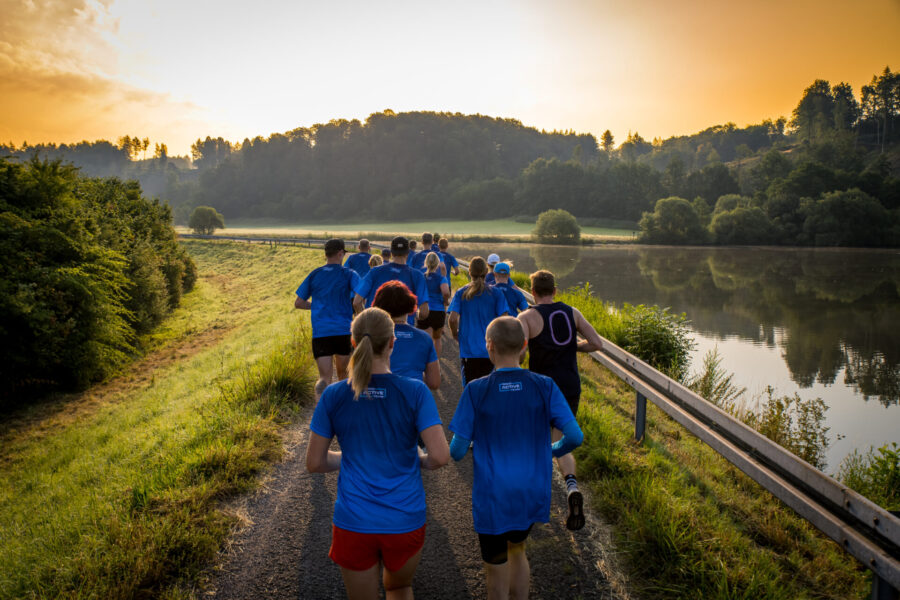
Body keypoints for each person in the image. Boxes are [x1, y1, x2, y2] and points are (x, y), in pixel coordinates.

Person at [306, 307, 450, 600]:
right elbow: (439, 456)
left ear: (354, 342)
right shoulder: (416, 392)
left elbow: (315, 462)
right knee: (399, 588)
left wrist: (352, 458)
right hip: (405, 520)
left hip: (353, 522)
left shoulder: (334, 395)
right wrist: (415, 459)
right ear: (393, 343)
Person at [449, 317, 583, 600]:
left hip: (493, 495)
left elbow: (457, 451)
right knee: (518, 550)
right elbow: (574, 436)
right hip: (530, 489)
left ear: (489, 347)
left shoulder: (476, 389)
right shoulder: (544, 385)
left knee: (496, 565)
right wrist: (549, 451)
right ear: (524, 346)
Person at [517, 269, 605, 531]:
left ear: (532, 292)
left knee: (537, 439)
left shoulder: (527, 317)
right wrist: (573, 346)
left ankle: (534, 499)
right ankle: (571, 487)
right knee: (560, 439)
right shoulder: (573, 312)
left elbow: (518, 356)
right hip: (569, 385)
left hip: (541, 387)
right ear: (555, 291)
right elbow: (597, 343)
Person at [294, 238, 361, 400]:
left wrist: (317, 306)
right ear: (340, 253)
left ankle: (321, 414)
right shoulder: (349, 274)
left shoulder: (315, 274)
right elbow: (360, 297)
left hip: (321, 333)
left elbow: (299, 303)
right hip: (343, 330)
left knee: (324, 378)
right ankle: (344, 411)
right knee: (344, 377)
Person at [448, 257, 509, 385]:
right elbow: (504, 320)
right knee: (488, 388)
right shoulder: (496, 293)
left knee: (471, 389)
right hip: (490, 350)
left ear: (469, 272)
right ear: (487, 271)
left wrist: (455, 333)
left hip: (468, 351)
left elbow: (453, 319)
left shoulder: (461, 293)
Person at [373, 281, 440, 390]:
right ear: (410, 305)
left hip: (379, 398)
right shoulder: (424, 338)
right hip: (411, 396)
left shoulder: (371, 335)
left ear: (379, 306)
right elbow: (434, 383)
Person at [354, 236, 429, 326]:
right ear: (408, 253)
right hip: (404, 329)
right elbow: (424, 312)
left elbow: (357, 302)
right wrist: (414, 318)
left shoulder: (375, 271)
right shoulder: (417, 275)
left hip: (377, 328)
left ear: (392, 253)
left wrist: (366, 322)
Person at [417, 252, 451, 356]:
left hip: (424, 310)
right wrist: (445, 301)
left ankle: (424, 366)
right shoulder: (441, 278)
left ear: (426, 263)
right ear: (437, 264)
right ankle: (436, 366)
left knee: (425, 340)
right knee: (437, 339)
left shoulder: (421, 277)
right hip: (438, 311)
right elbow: (445, 292)